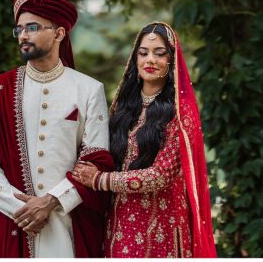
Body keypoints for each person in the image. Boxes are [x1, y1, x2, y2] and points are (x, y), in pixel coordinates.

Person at [0, 0, 113, 258]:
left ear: (59, 33)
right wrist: (21, 209)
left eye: (32, 27)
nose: (23, 35)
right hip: (10, 221)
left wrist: (51, 201)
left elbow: (96, 159)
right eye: (18, 29)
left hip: (66, 220)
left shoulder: (88, 89)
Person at [71, 22, 216, 258]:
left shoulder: (180, 114)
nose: (150, 60)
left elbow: (161, 175)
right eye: (143, 53)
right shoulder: (122, 107)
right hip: (117, 228)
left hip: (163, 231)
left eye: (159, 54)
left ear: (171, 62)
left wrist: (99, 180)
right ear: (135, 58)